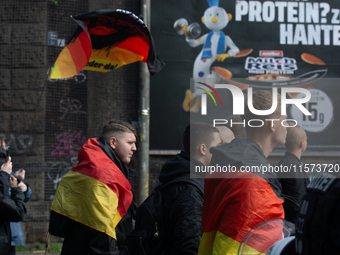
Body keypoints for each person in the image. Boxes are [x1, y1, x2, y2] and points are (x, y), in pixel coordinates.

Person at [198, 90, 286, 255]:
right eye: (285, 119)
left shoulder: (230, 165)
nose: (288, 126)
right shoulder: (254, 179)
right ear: (273, 123)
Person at [49, 119, 137, 255]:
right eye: (130, 143)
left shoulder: (93, 166)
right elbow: (102, 231)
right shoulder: (103, 173)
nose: (134, 148)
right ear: (113, 142)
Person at [158, 122, 221, 254]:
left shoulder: (176, 175)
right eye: (218, 146)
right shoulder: (190, 189)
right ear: (203, 149)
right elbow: (190, 244)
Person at [0, 141, 32, 254]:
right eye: (3, 146)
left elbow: (24, 198)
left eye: (5, 146)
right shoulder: (3, 173)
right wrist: (15, 189)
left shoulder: (6, 172)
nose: (5, 149)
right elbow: (18, 210)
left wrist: (21, 185)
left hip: (9, 235)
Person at [276, 125, 309, 223]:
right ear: (302, 143)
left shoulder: (282, 164)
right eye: (306, 140)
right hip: (293, 225)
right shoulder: (294, 166)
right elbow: (297, 200)